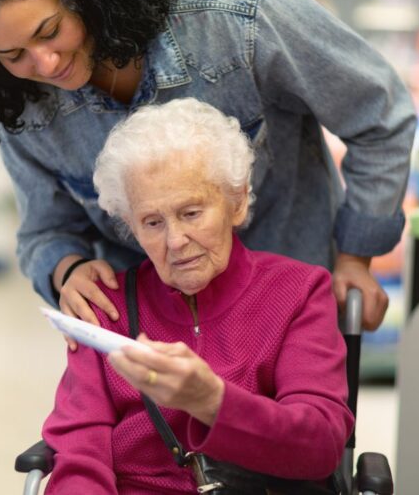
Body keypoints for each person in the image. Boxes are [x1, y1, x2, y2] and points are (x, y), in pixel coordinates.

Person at [0, 0, 416, 332]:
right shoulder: (23, 102)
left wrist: (355, 258)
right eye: (14, 54)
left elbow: (380, 113)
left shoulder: (238, 17)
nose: (47, 62)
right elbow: (46, 230)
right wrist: (67, 270)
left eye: (51, 31)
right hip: (154, 346)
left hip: (292, 320)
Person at [42, 98, 354, 493]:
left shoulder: (298, 292)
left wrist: (211, 401)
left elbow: (320, 445)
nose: (175, 241)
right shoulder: (105, 306)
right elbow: (79, 456)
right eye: (152, 222)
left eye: (191, 213)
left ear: (236, 201)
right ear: (130, 225)